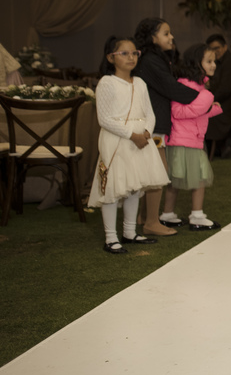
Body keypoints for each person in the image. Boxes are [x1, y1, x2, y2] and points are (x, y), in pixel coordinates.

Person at [88, 37, 170, 254]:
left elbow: (149, 114)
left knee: (134, 187)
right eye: (124, 53)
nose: (131, 57)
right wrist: (131, 134)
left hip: (140, 141)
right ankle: (111, 237)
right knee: (113, 189)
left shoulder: (141, 83)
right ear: (110, 57)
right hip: (117, 140)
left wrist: (146, 133)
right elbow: (104, 119)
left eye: (134, 53)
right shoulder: (107, 83)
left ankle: (130, 232)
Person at [132, 18, 197, 236]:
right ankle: (151, 221)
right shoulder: (151, 60)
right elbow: (169, 87)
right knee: (158, 171)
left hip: (154, 121)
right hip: (152, 123)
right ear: (153, 38)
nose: (171, 37)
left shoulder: (155, 58)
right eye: (166, 33)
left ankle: (143, 217)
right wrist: (200, 97)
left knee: (152, 170)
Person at [161, 48, 222, 232]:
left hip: (189, 138)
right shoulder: (186, 86)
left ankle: (168, 214)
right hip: (183, 139)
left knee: (178, 179)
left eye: (214, 61)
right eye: (209, 61)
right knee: (198, 178)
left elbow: (195, 113)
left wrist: (210, 108)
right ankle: (196, 216)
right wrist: (206, 102)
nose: (214, 65)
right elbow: (178, 112)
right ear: (197, 63)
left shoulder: (198, 87)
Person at [203, 34, 231, 159]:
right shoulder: (219, 62)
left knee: (211, 113)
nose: (215, 52)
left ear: (225, 47)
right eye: (212, 49)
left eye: (217, 48)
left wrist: (208, 101)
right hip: (226, 101)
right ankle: (221, 145)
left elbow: (225, 90)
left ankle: (221, 146)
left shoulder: (230, 62)